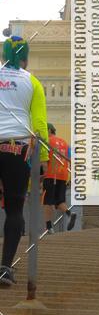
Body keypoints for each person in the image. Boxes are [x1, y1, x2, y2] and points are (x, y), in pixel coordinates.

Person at [0, 36, 49, 287]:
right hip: (16, 147)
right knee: (14, 207)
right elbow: (39, 122)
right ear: (25, 57)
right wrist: (44, 157)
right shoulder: (32, 81)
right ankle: (5, 268)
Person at [43, 124, 76, 232]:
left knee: (47, 201)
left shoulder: (46, 141)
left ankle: (49, 227)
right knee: (59, 201)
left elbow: (43, 158)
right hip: (63, 175)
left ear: (49, 130)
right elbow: (70, 158)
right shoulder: (64, 143)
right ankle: (70, 213)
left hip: (51, 174)